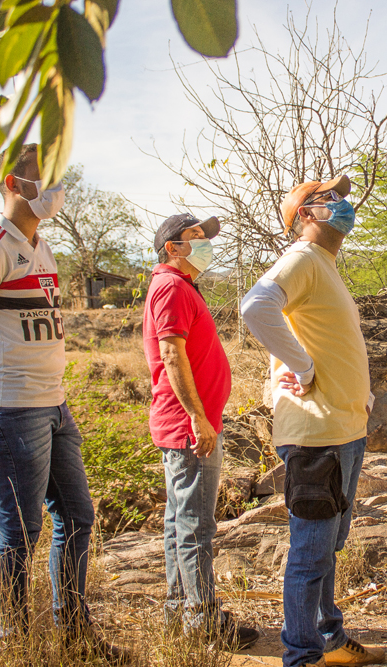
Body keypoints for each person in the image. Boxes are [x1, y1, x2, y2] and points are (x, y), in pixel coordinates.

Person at [0, 144, 130, 663]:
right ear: (12, 184)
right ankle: (14, 645)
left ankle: (74, 636)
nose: (56, 187)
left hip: (52, 406)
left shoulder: (42, 248)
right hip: (7, 408)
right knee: (20, 532)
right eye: (46, 176)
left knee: (77, 517)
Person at [241, 175, 384, 667]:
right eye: (329, 198)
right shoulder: (302, 257)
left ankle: (330, 638)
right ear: (304, 215)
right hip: (316, 433)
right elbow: (256, 305)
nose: (342, 204)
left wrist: (361, 395)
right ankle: (301, 656)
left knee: (326, 549)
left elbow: (328, 338)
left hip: (344, 427)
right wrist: (300, 368)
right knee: (310, 553)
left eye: (342, 196)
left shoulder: (325, 265)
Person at [142, 212, 259, 650]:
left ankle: (181, 613)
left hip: (187, 423)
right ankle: (204, 620)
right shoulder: (171, 287)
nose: (206, 242)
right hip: (189, 426)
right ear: (173, 247)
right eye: (195, 236)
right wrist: (197, 416)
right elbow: (172, 355)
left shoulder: (179, 286)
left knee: (180, 522)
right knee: (195, 526)